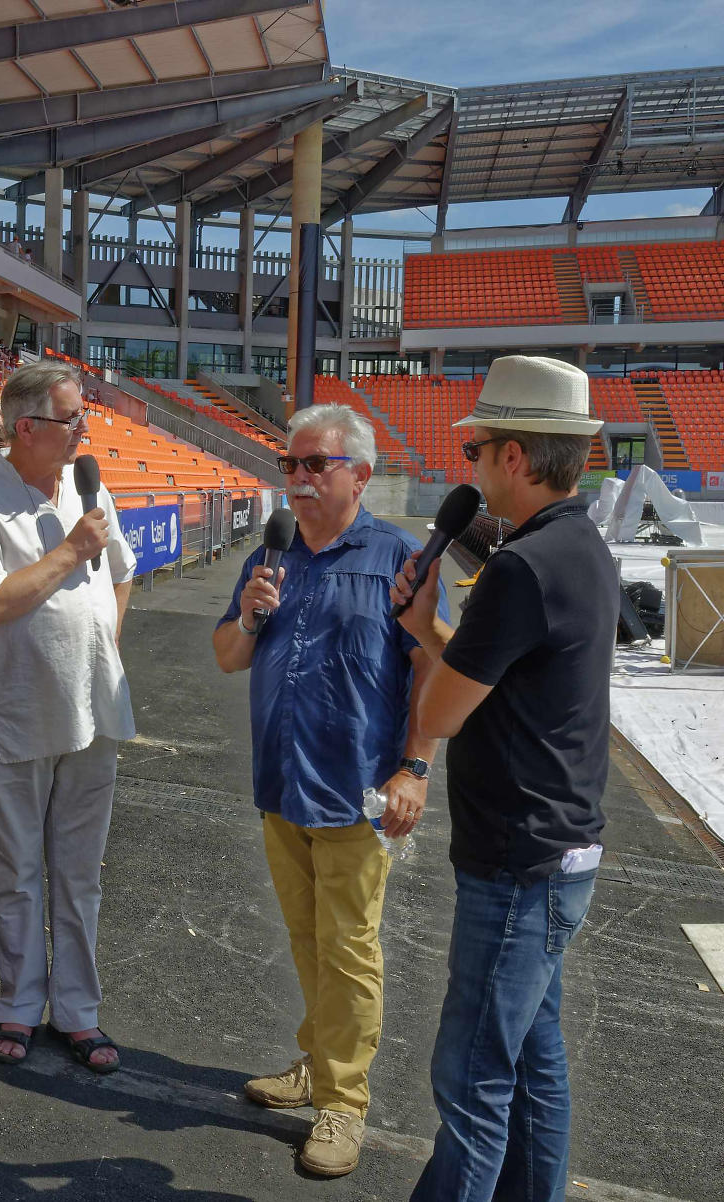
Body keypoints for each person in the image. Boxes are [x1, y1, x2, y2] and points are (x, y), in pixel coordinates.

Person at [390, 357, 616, 1202]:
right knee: (534, 1060)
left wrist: (421, 630)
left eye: (479, 447)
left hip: (517, 862)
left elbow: (444, 712)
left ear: (516, 457)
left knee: (474, 1077)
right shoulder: (576, 544)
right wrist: (439, 626)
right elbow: (501, 683)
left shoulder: (518, 569)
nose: (470, 465)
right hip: (560, 852)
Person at [211, 404, 446, 1177]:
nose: (301, 478)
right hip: (281, 786)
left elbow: (431, 668)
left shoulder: (396, 559)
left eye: (318, 464)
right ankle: (316, 1062)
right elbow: (226, 658)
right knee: (309, 940)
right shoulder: (271, 556)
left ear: (360, 475)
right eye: (292, 464)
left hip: (355, 793)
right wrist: (248, 616)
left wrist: (415, 768)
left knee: (349, 951)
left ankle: (343, 1106)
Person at [0, 359, 136, 1073]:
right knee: (18, 871)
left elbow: (120, 576)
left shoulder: (89, 486)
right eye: (70, 416)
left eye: (83, 414)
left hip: (94, 710)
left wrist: (102, 649)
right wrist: (69, 550)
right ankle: (19, 1007)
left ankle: (79, 1013)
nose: (85, 426)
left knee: (80, 873)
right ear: (25, 427)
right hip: (16, 713)